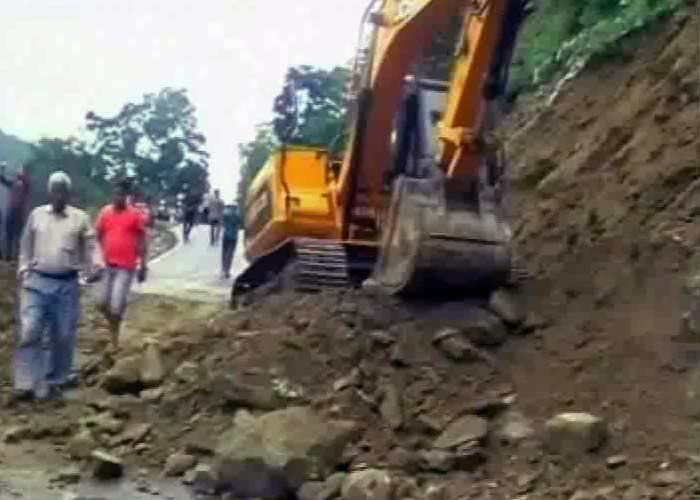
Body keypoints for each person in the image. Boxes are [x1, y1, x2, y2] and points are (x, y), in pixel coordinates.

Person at [14, 172, 93, 401]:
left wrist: (94, 267)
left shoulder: (80, 218)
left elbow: (90, 245)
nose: (58, 195)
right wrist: (23, 267)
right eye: (54, 190)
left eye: (62, 191)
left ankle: (54, 380)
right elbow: (25, 244)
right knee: (31, 330)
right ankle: (26, 382)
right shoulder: (36, 215)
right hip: (36, 281)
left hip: (66, 284)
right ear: (49, 192)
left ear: (69, 194)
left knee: (62, 334)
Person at [94, 180, 148, 350]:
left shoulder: (134, 215)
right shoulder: (105, 212)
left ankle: (115, 335)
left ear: (126, 196)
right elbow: (96, 234)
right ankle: (115, 325)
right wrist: (97, 257)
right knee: (102, 303)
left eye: (121, 195)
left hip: (126, 266)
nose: (117, 197)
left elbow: (142, 239)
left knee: (116, 305)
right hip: (108, 264)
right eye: (115, 194)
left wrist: (143, 264)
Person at [0, 164, 31, 261]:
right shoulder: (13, 183)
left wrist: (21, 174)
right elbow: (3, 180)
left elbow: (26, 183)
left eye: (21, 170)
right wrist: (2, 170)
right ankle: (8, 257)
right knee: (9, 234)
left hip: (19, 212)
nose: (19, 171)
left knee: (18, 236)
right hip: (11, 210)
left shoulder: (25, 184)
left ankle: (17, 257)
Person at [221, 204, 241, 279]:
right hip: (234, 237)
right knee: (230, 254)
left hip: (226, 236)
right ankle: (227, 270)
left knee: (224, 253)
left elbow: (223, 219)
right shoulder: (237, 216)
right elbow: (240, 224)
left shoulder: (226, 215)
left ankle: (224, 268)